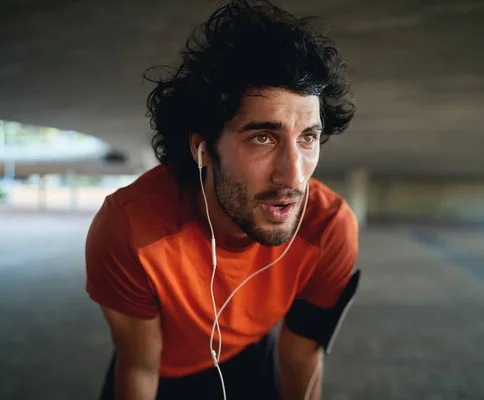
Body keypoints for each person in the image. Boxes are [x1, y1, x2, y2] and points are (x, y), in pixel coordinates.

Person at [85, 0, 361, 399]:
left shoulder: (329, 227)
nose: (294, 176)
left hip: (250, 357)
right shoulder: (130, 228)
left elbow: (302, 360)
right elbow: (139, 365)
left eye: (307, 138)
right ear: (203, 149)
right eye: (262, 137)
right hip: (162, 374)